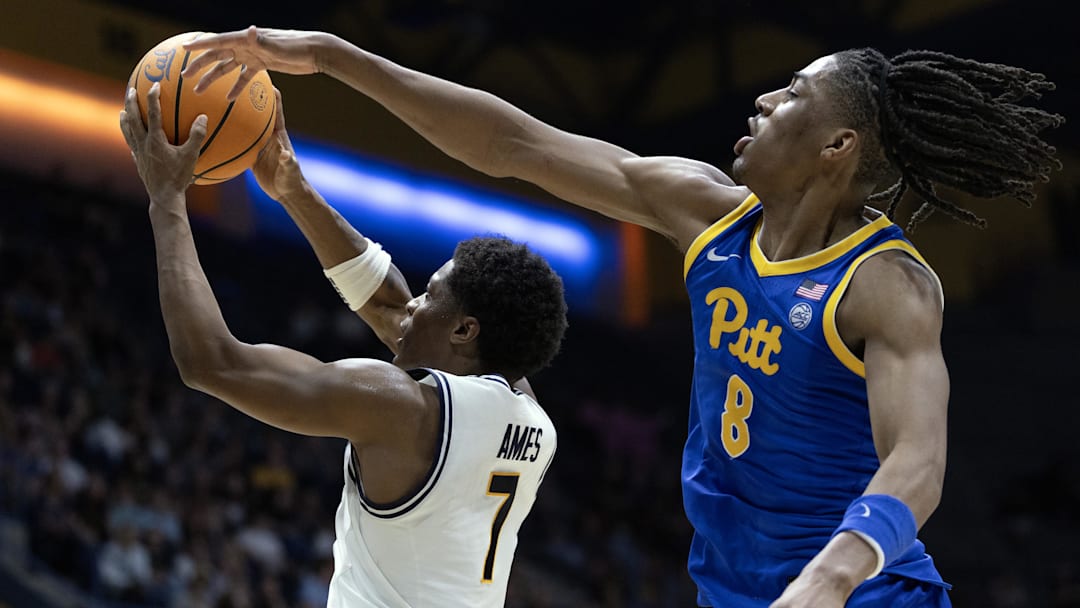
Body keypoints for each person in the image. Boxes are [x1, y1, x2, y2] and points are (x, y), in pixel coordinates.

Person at [181, 28, 1064, 607]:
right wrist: (339, 58)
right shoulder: (706, 212)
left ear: (837, 149)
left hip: (861, 594)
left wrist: (831, 578)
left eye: (791, 94)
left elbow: (919, 462)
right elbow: (517, 145)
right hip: (735, 589)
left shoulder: (886, 285)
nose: (761, 101)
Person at [118, 81, 568, 607]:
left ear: (465, 330)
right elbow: (389, 307)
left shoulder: (399, 405)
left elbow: (211, 362)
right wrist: (293, 189)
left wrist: (166, 199)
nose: (414, 302)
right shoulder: (533, 420)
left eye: (430, 294)